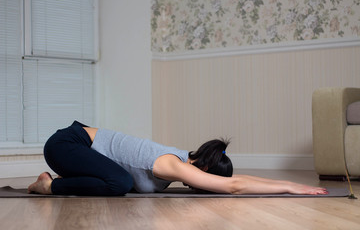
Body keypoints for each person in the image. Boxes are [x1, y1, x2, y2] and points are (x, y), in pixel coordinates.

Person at [28, 121, 328, 196]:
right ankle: (48, 187)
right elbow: (236, 185)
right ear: (206, 168)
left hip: (80, 151)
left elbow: (240, 180)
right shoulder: (171, 164)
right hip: (66, 143)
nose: (205, 186)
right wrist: (290, 186)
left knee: (120, 181)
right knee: (119, 182)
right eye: (209, 180)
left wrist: (285, 181)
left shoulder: (174, 169)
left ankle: (66, 181)